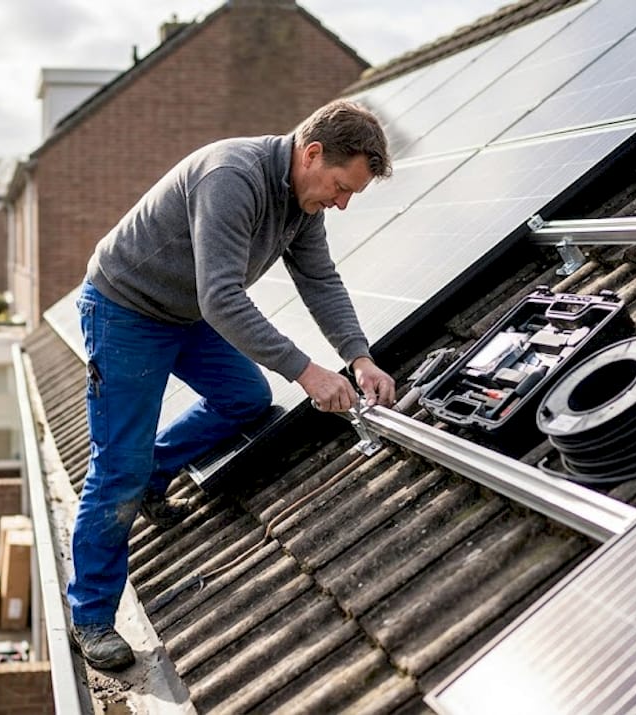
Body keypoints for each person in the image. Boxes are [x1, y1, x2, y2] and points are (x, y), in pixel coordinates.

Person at [68, 99, 398, 671]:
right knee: (117, 466)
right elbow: (221, 297)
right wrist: (307, 370)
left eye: (351, 196)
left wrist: (358, 356)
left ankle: (157, 473)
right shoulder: (232, 177)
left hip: (183, 314)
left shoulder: (302, 203)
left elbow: (319, 278)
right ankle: (92, 615)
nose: (341, 204)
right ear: (312, 153)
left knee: (245, 399)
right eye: (342, 187)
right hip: (126, 310)